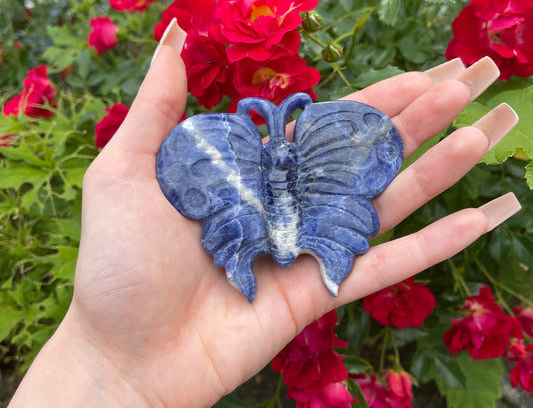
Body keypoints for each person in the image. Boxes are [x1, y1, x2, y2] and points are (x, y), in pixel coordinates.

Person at [8, 20, 521, 408]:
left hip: (271, 210)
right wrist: (107, 361)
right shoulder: (305, 134)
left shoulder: (223, 141)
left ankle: (296, 256)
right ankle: (308, 256)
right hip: (290, 212)